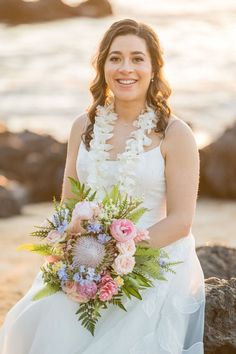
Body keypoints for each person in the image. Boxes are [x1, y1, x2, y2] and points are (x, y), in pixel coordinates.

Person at [0, 18, 205, 353]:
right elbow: (69, 203)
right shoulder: (83, 126)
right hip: (86, 260)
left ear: (154, 68)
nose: (126, 68)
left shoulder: (175, 134)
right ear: (103, 66)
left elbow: (182, 221)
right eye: (116, 57)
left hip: (154, 257)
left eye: (138, 58)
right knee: (35, 325)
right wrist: (72, 252)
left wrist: (115, 258)